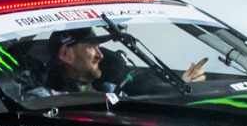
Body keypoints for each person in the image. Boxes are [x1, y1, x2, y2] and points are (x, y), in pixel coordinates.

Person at [44, 27, 206, 96]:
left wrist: (180, 82)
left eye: (99, 47)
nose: (100, 55)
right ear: (66, 53)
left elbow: (148, 94)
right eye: (91, 47)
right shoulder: (43, 99)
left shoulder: (112, 88)